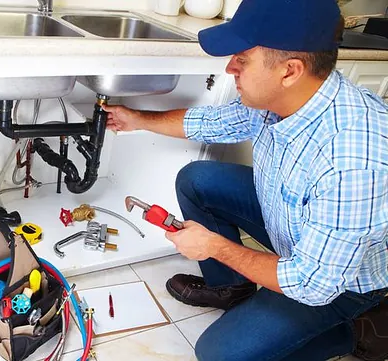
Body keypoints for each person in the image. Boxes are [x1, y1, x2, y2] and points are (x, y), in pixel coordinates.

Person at [102, 0, 388, 360]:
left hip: (339, 284)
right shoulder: (283, 97)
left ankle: (357, 331)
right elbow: (212, 122)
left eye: (243, 58)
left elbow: (312, 284)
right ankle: (231, 288)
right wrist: (137, 119)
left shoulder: (353, 160)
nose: (230, 67)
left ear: (290, 70)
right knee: (198, 179)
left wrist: (215, 247)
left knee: (219, 354)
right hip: (295, 231)